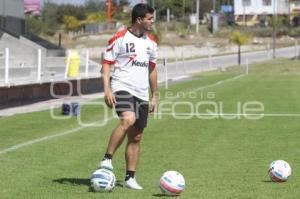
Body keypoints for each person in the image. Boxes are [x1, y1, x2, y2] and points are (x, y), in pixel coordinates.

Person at [99, 3, 158, 190]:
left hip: (142, 93)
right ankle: (107, 159)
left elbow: (152, 70)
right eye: (150, 18)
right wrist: (107, 90)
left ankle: (129, 178)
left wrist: (154, 95)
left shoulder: (152, 42)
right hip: (121, 86)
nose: (152, 21)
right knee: (128, 118)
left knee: (137, 137)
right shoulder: (119, 38)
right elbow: (106, 65)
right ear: (139, 19)